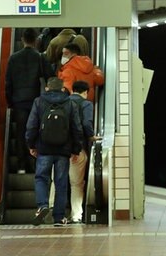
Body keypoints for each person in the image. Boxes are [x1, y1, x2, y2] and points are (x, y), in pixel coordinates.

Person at [25, 77, 83, 227]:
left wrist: (31, 145)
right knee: (61, 182)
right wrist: (76, 149)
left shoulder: (39, 102)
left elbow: (31, 126)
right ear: (63, 88)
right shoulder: (70, 103)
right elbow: (77, 128)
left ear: (47, 88)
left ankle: (43, 205)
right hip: (63, 150)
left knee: (41, 178)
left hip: (44, 149)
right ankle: (59, 217)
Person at [50, 80, 100, 224]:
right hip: (76, 149)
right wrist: (90, 136)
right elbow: (86, 123)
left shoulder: (62, 102)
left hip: (58, 148)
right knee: (76, 183)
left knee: (56, 180)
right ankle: (76, 215)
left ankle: (52, 207)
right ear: (86, 92)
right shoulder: (86, 104)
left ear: (72, 90)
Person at [5, 28, 54, 173]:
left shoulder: (13, 58)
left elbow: (8, 83)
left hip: (18, 102)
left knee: (21, 133)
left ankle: (21, 166)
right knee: (35, 131)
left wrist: (9, 102)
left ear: (22, 40)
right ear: (36, 40)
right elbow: (50, 77)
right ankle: (35, 164)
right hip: (35, 101)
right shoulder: (39, 57)